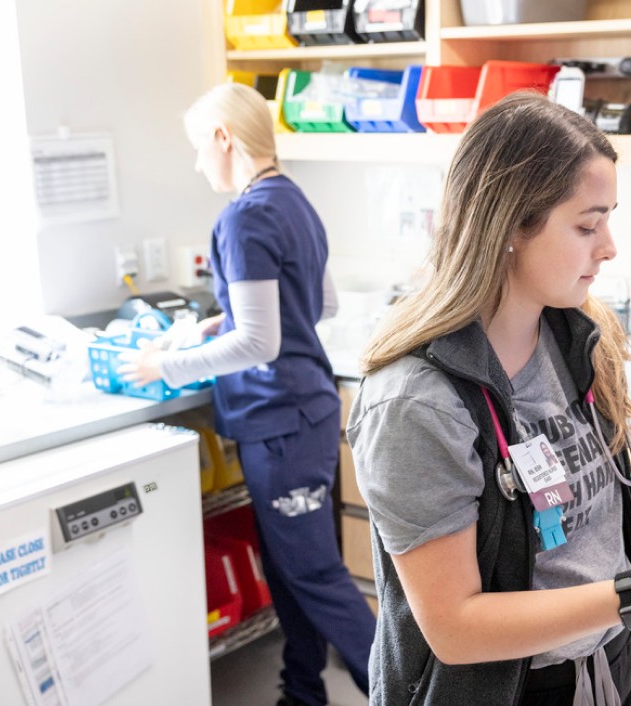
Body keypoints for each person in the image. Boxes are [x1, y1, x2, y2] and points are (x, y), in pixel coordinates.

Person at [346, 91, 631, 706]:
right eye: (587, 224)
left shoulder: (571, 339)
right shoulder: (418, 403)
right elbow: (454, 628)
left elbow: (578, 502)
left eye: (607, 220)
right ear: (510, 227)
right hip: (510, 688)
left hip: (608, 662)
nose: (609, 247)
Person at [119, 82, 376, 706]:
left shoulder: (244, 215)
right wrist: (230, 318)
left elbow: (260, 345)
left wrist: (165, 364)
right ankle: (303, 692)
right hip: (304, 413)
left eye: (198, 148)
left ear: (223, 138)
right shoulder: (292, 201)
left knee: (314, 573)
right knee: (291, 570)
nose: (198, 162)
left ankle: (416, 692)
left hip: (280, 421)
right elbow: (322, 303)